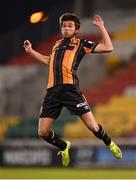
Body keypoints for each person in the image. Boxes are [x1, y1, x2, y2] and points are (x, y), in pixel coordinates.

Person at [23, 13, 122, 167]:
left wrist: (101, 26)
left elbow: (109, 47)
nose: (66, 28)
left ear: (76, 30)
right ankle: (64, 146)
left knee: (93, 127)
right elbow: (50, 61)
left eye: (70, 26)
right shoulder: (56, 44)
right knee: (42, 133)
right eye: (64, 26)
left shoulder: (81, 43)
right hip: (52, 92)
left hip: (71, 91)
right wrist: (31, 52)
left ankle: (110, 144)